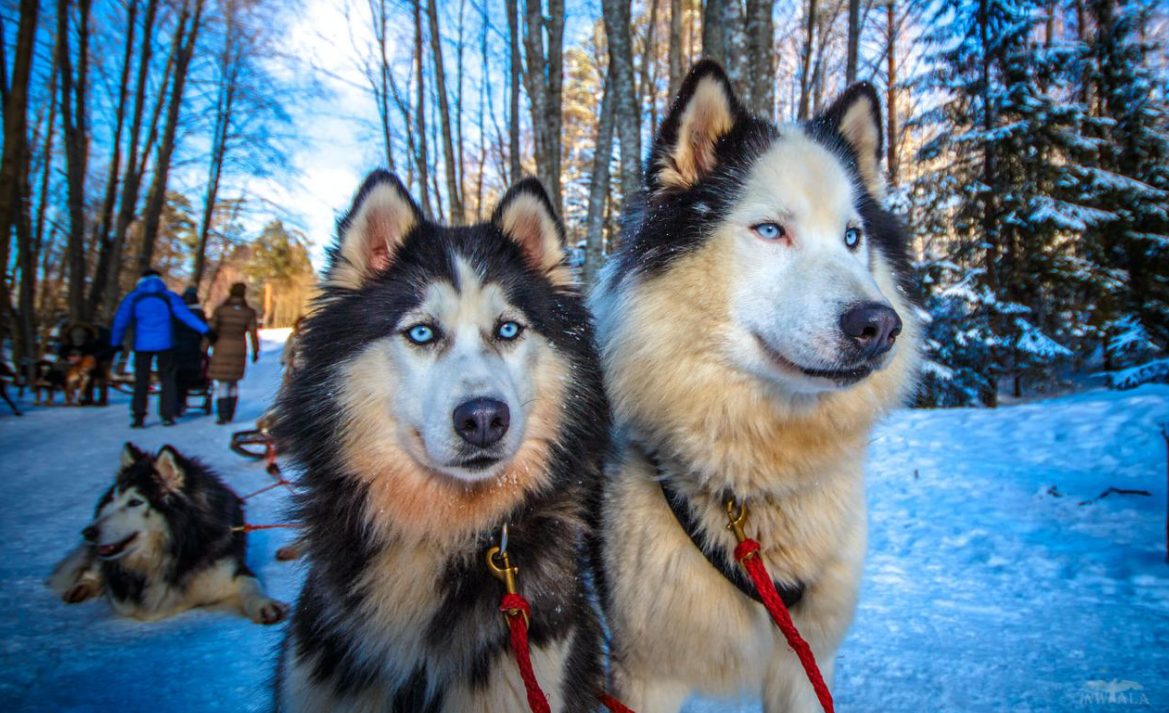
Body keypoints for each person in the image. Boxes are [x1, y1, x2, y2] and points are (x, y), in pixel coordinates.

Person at [110, 268, 211, 428]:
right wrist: (206, 330)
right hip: (166, 344)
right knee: (168, 379)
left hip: (141, 345)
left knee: (141, 380)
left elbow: (120, 321)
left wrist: (115, 343)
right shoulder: (168, 297)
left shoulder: (134, 297)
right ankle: (167, 415)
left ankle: (138, 416)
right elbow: (185, 315)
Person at [208, 282, 260, 424]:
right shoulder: (248, 312)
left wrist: (204, 348)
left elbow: (210, 330)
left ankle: (222, 415)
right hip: (239, 348)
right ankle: (230, 414)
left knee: (223, 383)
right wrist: (255, 351)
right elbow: (253, 333)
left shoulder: (221, 310)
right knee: (233, 382)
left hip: (221, 347)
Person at [173, 287, 209, 416]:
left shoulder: (176, 313)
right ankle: (181, 402)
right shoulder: (199, 314)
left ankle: (177, 404)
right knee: (188, 377)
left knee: (177, 379)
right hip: (194, 351)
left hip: (176, 350)